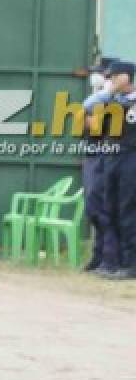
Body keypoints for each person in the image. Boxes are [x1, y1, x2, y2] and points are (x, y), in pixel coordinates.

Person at [85, 60, 136, 280]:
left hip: (130, 159)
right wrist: (109, 91)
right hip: (111, 158)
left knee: (128, 212)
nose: (110, 81)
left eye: (114, 77)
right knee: (110, 210)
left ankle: (130, 263)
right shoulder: (110, 100)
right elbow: (87, 108)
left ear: (127, 77)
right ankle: (116, 262)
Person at [82, 58, 116, 272]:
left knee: (103, 209)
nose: (95, 77)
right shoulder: (97, 99)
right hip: (92, 155)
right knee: (93, 209)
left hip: (104, 157)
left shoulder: (113, 100)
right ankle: (98, 256)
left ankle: (108, 258)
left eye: (101, 74)